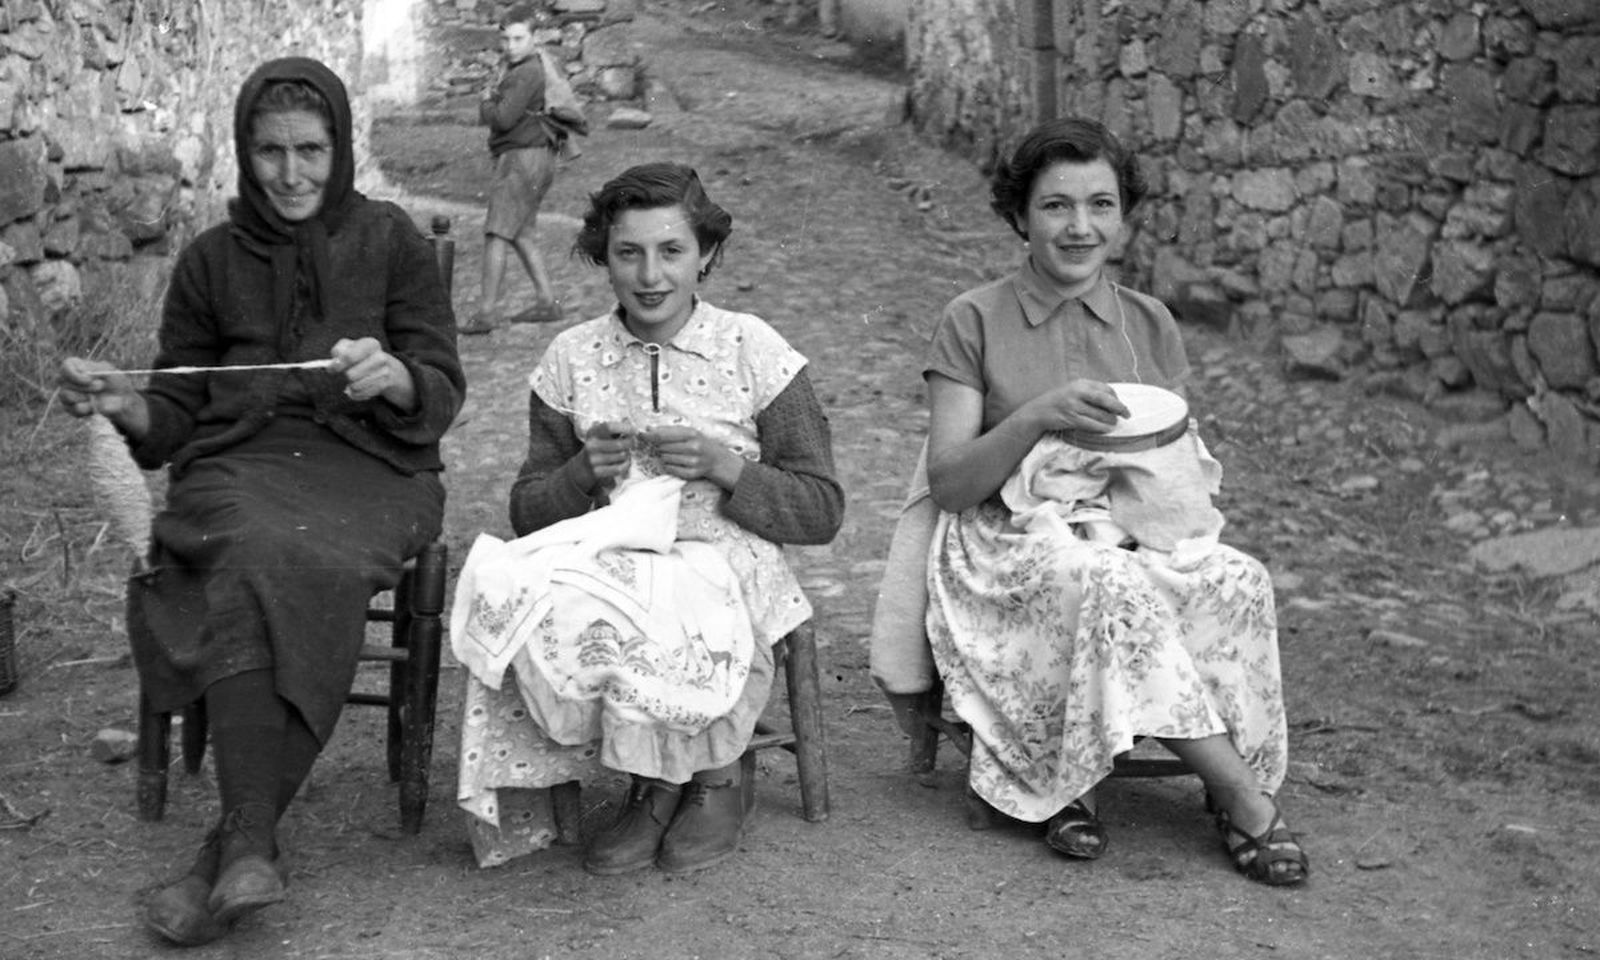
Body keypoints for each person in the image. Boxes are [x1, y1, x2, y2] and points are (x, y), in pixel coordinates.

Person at [56, 58, 465, 944]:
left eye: (310, 150)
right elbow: (170, 419)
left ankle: (235, 844)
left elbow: (442, 385)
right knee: (244, 546)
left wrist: (395, 375)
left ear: (341, 147)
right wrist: (127, 404)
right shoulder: (210, 260)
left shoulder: (391, 242)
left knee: (300, 549)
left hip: (373, 469)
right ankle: (248, 842)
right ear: (245, 151)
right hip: (236, 467)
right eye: (270, 151)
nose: (291, 173)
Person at [872, 117, 1308, 886]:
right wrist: (1038, 415)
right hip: (1001, 542)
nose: (1080, 227)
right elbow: (950, 484)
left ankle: (1187, 775)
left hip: (1128, 525)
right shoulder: (973, 318)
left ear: (1124, 217)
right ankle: (1241, 797)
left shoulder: (1149, 322)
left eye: (1101, 205)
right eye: (1056, 206)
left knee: (1239, 577)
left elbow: (1166, 464)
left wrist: (1153, 523)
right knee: (1107, 581)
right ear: (1020, 216)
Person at [451, 162, 844, 874]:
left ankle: (712, 782)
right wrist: (578, 474)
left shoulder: (754, 349)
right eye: (628, 253)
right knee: (532, 593)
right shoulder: (571, 358)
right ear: (604, 255)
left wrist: (727, 467)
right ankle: (658, 784)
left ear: (707, 256)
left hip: (731, 560)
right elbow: (528, 509)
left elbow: (822, 508)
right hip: (616, 556)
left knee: (687, 597)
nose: (650, 275)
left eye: (672, 251)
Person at [460, 3, 583, 334]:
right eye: (506, 39)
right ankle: (547, 302)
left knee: (496, 233)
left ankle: (486, 313)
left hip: (521, 160)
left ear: (534, 38)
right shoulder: (530, 66)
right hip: (536, 157)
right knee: (522, 232)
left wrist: (486, 100)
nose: (511, 46)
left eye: (518, 39)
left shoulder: (526, 72)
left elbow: (501, 117)